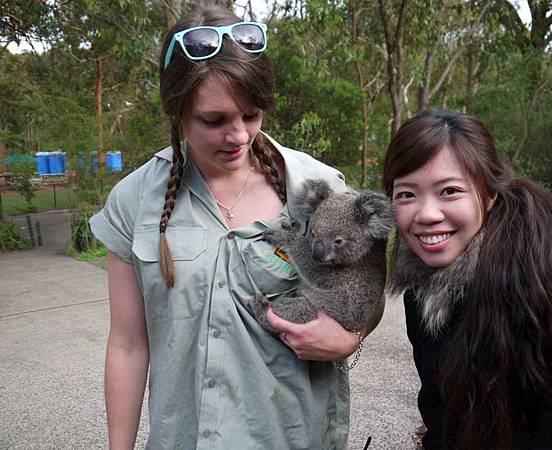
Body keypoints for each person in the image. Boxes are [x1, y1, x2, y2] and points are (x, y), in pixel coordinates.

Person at [90, 5, 384, 449]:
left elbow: (368, 295)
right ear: (177, 112)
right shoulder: (134, 201)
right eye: (215, 120)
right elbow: (129, 345)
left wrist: (350, 338)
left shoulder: (316, 191)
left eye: (251, 115)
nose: (240, 137)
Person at [382, 109, 552, 450]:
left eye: (450, 191)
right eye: (406, 195)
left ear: (489, 194)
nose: (426, 214)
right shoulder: (423, 288)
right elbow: (442, 416)